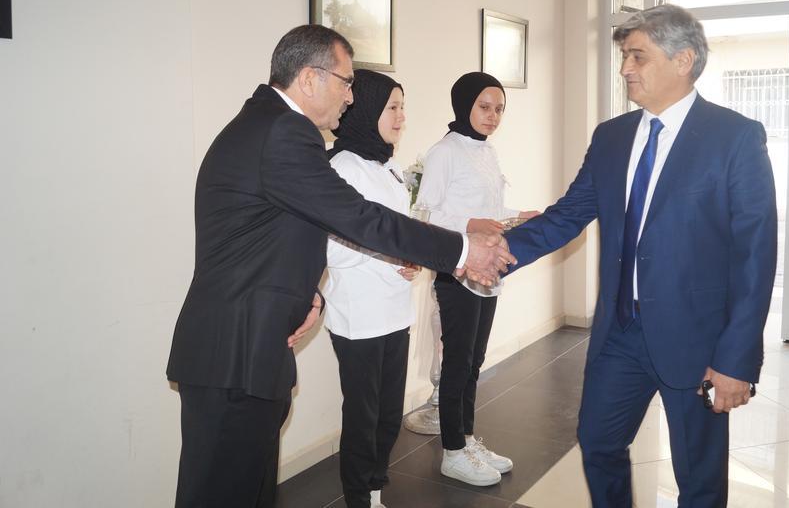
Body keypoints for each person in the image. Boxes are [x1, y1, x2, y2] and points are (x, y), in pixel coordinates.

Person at [165, 26, 515, 508]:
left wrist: (308, 292)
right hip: (236, 351)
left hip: (248, 344)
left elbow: (272, 232)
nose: (350, 97)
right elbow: (358, 218)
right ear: (310, 78)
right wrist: (462, 251)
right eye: (346, 82)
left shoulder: (269, 126)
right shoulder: (283, 132)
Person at [502, 4, 777, 507]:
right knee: (598, 443)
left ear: (683, 60)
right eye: (625, 56)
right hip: (620, 334)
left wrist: (736, 359)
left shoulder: (735, 138)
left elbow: (755, 258)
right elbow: (568, 215)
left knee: (698, 478)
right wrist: (497, 252)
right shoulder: (611, 137)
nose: (625, 68)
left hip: (697, 341)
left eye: (638, 56)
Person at [415, 72, 540, 486]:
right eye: (485, 107)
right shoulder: (444, 152)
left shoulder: (487, 151)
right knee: (457, 362)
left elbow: (493, 212)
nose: (493, 116)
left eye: (499, 109)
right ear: (464, 104)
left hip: (487, 269)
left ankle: (467, 439)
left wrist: (519, 217)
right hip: (457, 271)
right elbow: (425, 214)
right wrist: (470, 222)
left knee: (474, 361)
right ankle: (452, 452)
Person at [320, 70, 418, 508]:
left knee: (388, 415)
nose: (401, 117)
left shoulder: (388, 165)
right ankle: (359, 497)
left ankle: (375, 490)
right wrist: (392, 254)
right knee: (364, 417)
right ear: (366, 110)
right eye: (392, 107)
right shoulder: (341, 168)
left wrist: (409, 255)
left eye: (402, 107)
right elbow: (331, 250)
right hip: (359, 316)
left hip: (395, 311)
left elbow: (398, 231)